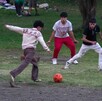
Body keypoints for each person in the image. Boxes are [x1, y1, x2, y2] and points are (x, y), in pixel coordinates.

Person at [5, 20, 50, 87]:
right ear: (38, 27)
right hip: (31, 50)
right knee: (26, 63)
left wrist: (8, 26)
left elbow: (16, 28)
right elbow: (42, 41)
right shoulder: (38, 33)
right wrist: (47, 49)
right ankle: (13, 73)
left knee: (35, 60)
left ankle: (34, 77)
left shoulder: (26, 30)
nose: (41, 30)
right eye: (41, 28)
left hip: (25, 50)